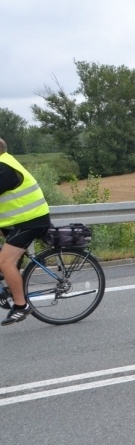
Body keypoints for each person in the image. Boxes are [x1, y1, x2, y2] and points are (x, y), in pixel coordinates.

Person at [0, 138, 51, 326]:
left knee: (5, 262)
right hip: (16, 221)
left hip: (30, 221)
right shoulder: (5, 162)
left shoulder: (4, 168)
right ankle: (8, 287)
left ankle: (21, 306)